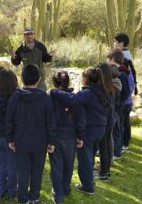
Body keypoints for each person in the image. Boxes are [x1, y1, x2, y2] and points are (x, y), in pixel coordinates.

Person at [50, 66, 111, 195]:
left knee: (85, 159)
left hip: (90, 129)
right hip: (101, 129)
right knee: (91, 156)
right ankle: (89, 181)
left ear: (85, 79)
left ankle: (87, 186)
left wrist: (54, 92)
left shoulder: (88, 93)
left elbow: (72, 100)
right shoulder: (102, 90)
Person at [6, 64, 56, 204]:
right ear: (39, 79)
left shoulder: (15, 97)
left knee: (23, 172)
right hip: (40, 143)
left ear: (22, 78)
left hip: (22, 142)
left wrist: (10, 139)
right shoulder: (45, 98)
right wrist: (51, 141)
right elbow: (51, 122)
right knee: (37, 172)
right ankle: (34, 197)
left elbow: (9, 120)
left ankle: (23, 199)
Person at [48, 70, 86, 204]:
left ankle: (58, 194)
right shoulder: (75, 98)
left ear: (54, 82)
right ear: (68, 82)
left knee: (57, 166)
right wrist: (80, 137)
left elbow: (49, 119)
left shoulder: (51, 97)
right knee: (69, 164)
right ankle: (65, 188)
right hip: (71, 136)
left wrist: (49, 138)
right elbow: (81, 120)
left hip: (56, 136)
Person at [0, 69, 19, 199]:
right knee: (12, 164)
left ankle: (0, 190)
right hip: (11, 135)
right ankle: (12, 190)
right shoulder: (16, 98)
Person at [10, 27, 55, 91]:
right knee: (27, 99)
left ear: (34, 35)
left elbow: (45, 59)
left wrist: (49, 55)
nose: (29, 36)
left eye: (31, 34)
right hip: (27, 80)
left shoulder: (40, 46)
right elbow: (16, 63)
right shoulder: (20, 49)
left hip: (40, 79)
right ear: (24, 35)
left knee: (43, 98)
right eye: (27, 34)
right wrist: (13, 57)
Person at [107, 49, 131, 159]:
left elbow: (125, 91)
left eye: (108, 58)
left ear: (112, 59)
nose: (107, 61)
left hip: (118, 106)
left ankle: (116, 152)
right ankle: (115, 150)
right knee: (116, 127)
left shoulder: (120, 74)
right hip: (117, 105)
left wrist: (118, 102)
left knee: (117, 128)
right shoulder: (119, 72)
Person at [96, 63, 117, 181]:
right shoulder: (110, 87)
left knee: (104, 146)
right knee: (107, 146)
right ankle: (106, 171)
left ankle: (104, 172)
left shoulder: (102, 89)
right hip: (110, 119)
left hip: (106, 121)